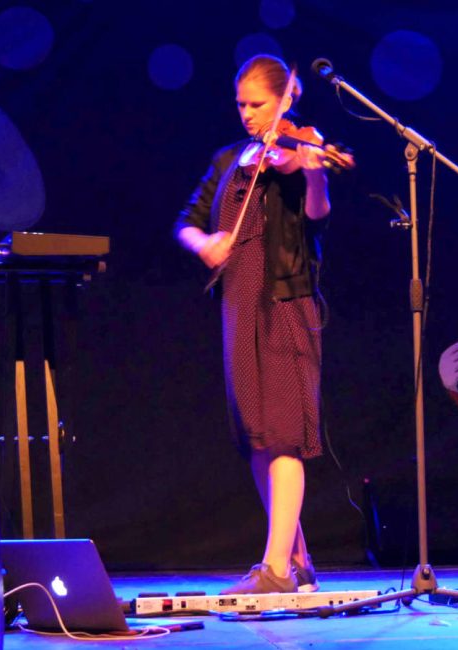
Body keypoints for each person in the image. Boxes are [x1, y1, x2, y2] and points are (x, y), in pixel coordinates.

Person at [175, 54, 354, 595]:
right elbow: (188, 220)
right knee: (258, 439)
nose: (248, 115)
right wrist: (205, 243)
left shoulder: (299, 151)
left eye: (258, 105)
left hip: (284, 303)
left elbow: (318, 212)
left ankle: (275, 568)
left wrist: (315, 169)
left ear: (285, 101)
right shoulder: (230, 157)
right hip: (238, 305)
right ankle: (296, 558)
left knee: (284, 439)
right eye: (241, 105)